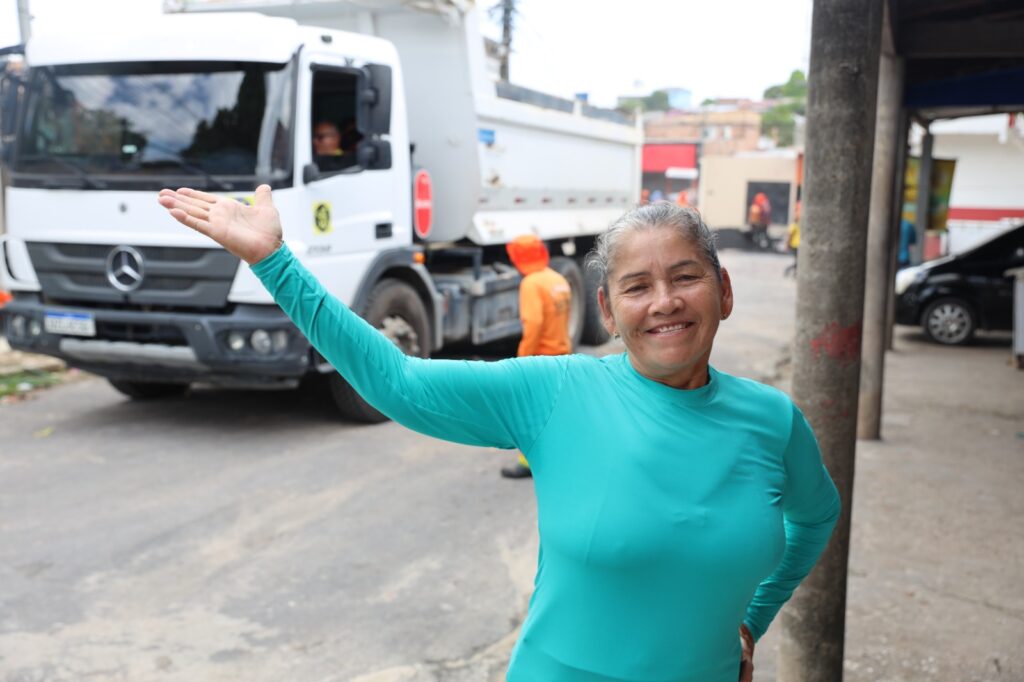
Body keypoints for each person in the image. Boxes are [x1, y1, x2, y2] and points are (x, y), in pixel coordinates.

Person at [157, 187, 840, 682]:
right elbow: (398, 382)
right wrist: (275, 262)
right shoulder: (558, 392)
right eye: (637, 287)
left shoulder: (771, 419)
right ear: (607, 310)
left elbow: (815, 517)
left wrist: (752, 619)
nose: (664, 302)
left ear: (723, 290)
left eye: (685, 277)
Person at [501, 234, 573, 479]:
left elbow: (533, 324)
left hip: (540, 360)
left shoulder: (531, 284)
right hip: (561, 355)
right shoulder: (557, 279)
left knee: (530, 414)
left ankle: (528, 462)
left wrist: (522, 359)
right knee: (555, 412)